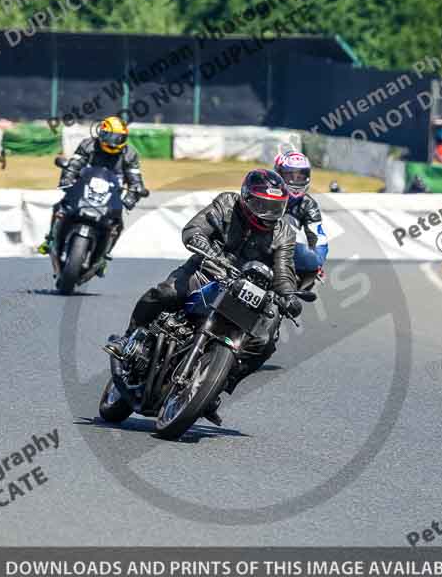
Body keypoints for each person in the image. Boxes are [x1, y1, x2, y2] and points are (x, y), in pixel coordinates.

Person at [108, 169, 302, 425]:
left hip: (247, 290)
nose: (268, 213)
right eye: (262, 205)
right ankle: (129, 338)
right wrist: (207, 250)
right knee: (164, 293)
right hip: (208, 270)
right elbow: (194, 229)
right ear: (246, 198)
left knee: (265, 341)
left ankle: (215, 386)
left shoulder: (284, 232)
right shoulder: (227, 204)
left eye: (275, 206)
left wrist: (288, 296)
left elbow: (284, 271)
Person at [38, 116, 148, 272]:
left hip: (111, 196)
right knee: (59, 208)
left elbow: (135, 180)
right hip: (83, 189)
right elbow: (74, 164)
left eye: (118, 138)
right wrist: (67, 178)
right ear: (101, 133)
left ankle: (103, 257)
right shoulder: (88, 145)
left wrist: (132, 195)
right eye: (109, 136)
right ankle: (51, 239)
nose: (113, 142)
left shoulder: (129, 154)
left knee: (118, 224)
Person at [273, 151, 328, 289]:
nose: (295, 180)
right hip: (257, 241)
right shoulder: (267, 191)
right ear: (278, 173)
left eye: (300, 176)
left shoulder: (308, 204)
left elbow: (318, 236)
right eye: (290, 175)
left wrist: (317, 262)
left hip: (287, 249)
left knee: (311, 278)